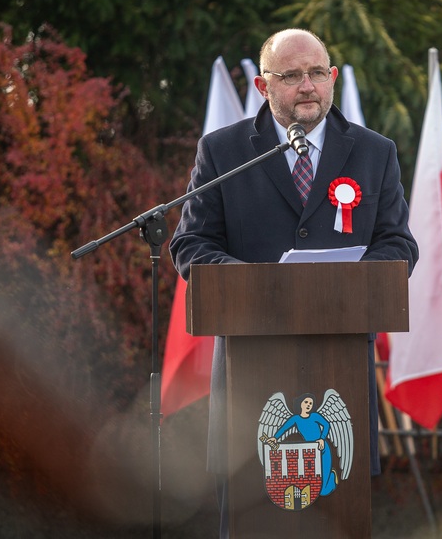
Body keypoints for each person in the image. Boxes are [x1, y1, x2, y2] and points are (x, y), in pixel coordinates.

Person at [169, 28, 418, 537]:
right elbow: (190, 245)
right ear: (263, 87)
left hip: (340, 371)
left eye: (317, 74)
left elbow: (398, 244)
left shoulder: (374, 152)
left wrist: (348, 285)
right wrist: (259, 288)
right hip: (247, 373)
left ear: (332, 78)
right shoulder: (224, 150)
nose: (307, 86)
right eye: (290, 76)